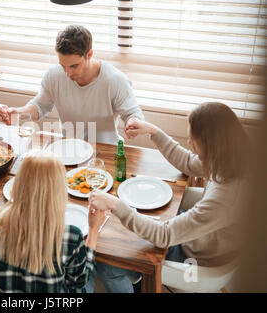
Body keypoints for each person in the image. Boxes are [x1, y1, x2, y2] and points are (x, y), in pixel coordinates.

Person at [86, 102, 250, 293]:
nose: (189, 142)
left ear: (210, 143)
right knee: (134, 227)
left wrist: (115, 204)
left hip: (196, 260)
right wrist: (153, 131)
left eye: (193, 139)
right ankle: (137, 279)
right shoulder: (229, 158)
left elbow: (163, 236)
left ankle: (137, 275)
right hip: (200, 236)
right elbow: (188, 163)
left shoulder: (225, 199)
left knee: (109, 263)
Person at [0, 25, 144, 144]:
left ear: (89, 55)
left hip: (107, 149)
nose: (67, 73)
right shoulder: (53, 75)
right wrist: (16, 113)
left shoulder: (115, 80)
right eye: (62, 65)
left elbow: (133, 114)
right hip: (69, 147)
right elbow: (39, 106)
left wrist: (133, 122)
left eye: (74, 66)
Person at [0, 150, 106, 292]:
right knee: (91, 271)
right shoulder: (71, 236)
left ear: (19, 183)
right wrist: (94, 231)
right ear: (58, 190)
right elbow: (78, 283)